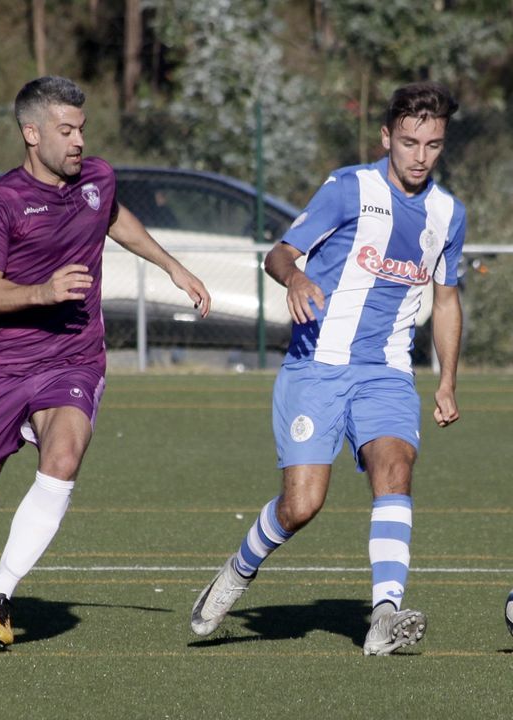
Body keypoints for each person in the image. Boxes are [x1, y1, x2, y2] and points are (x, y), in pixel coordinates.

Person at [0, 76, 212, 647]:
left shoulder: (97, 178)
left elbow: (113, 217)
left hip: (74, 357)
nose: (78, 141)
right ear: (31, 133)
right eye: (65, 131)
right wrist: (44, 291)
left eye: (81, 129)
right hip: (1, 366)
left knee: (64, 458)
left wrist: (172, 267)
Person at [189, 81, 466, 656]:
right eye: (409, 142)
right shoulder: (348, 189)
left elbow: (445, 301)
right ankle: (239, 569)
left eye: (433, 145)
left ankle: (384, 614)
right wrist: (295, 278)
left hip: (387, 372)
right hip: (316, 367)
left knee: (395, 467)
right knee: (301, 505)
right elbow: (279, 254)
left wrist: (447, 380)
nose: (420, 156)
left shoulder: (448, 213)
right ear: (386, 137)